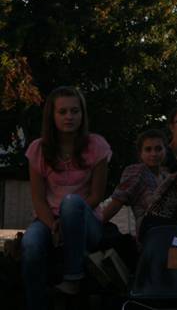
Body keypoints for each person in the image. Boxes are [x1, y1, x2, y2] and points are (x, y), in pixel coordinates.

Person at [22, 86, 111, 309]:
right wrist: (54, 225)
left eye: (75, 111)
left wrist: (69, 218)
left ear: (82, 114)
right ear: (52, 116)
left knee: (71, 203)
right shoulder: (38, 149)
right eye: (62, 112)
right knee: (30, 245)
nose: (69, 117)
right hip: (49, 219)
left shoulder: (96, 146)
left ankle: (73, 277)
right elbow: (38, 199)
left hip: (86, 220)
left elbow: (97, 195)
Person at [101, 129, 169, 239]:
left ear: (165, 150)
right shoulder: (136, 172)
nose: (154, 154)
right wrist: (95, 223)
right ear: (140, 153)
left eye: (158, 149)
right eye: (148, 149)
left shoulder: (167, 176)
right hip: (150, 235)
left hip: (172, 231)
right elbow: (117, 201)